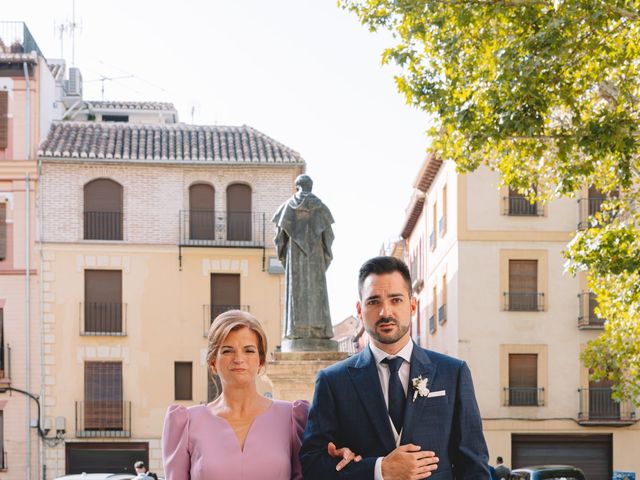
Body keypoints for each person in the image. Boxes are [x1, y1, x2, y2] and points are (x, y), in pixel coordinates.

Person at [300, 256, 491, 480]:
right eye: (374, 302)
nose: (385, 312)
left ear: (412, 305)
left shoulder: (453, 373)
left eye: (395, 300)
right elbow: (312, 466)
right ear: (360, 310)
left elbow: (474, 466)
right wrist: (378, 469)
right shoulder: (333, 381)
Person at [162, 310, 357, 479]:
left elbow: (312, 474)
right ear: (213, 362)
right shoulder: (185, 423)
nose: (239, 359)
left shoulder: (293, 418)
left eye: (248, 350)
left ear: (261, 361)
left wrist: (337, 459)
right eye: (228, 350)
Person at [272, 174, 335, 350]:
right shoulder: (321, 208)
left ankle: (296, 330)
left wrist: (285, 255)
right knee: (317, 291)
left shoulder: (286, 208)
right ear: (310, 186)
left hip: (295, 258)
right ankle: (319, 329)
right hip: (315, 260)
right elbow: (328, 237)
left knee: (296, 291)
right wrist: (324, 256)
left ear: (297, 186)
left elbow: (279, 238)